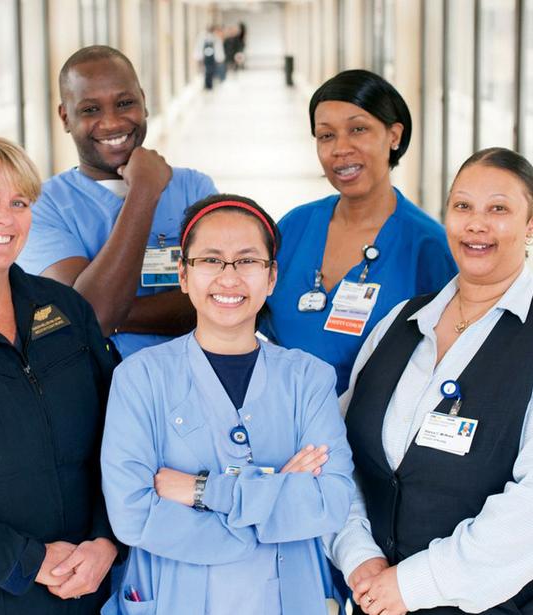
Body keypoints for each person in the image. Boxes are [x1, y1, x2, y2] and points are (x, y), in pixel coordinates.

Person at [101, 195, 355, 615]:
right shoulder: (139, 378)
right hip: (175, 599)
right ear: (183, 274)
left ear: (271, 277)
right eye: (211, 260)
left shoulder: (308, 378)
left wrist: (201, 491)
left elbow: (329, 501)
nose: (229, 277)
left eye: (248, 261)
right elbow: (133, 515)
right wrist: (265, 513)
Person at [326, 147, 533, 615]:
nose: (476, 224)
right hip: (371, 597)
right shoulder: (400, 322)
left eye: (498, 209)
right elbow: (338, 454)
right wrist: (358, 554)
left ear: (530, 225)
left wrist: (416, 583)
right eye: (462, 206)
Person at [0, 135, 119, 614]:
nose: (5, 217)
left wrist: (107, 539)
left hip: (90, 582)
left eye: (19, 202)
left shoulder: (64, 308)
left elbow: (122, 434)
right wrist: (24, 560)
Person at [261, 69, 457, 395]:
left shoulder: (428, 247)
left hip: (374, 436)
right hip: (284, 425)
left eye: (358, 129)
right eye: (326, 136)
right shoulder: (294, 227)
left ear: (393, 136)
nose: (341, 148)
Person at [17, 45, 217, 360]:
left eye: (125, 103)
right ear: (65, 116)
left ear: (144, 103)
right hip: (95, 395)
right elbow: (96, 315)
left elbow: (219, 301)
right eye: (90, 110)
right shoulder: (43, 206)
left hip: (191, 383)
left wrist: (104, 311)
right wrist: (144, 191)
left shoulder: (195, 188)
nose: (111, 122)